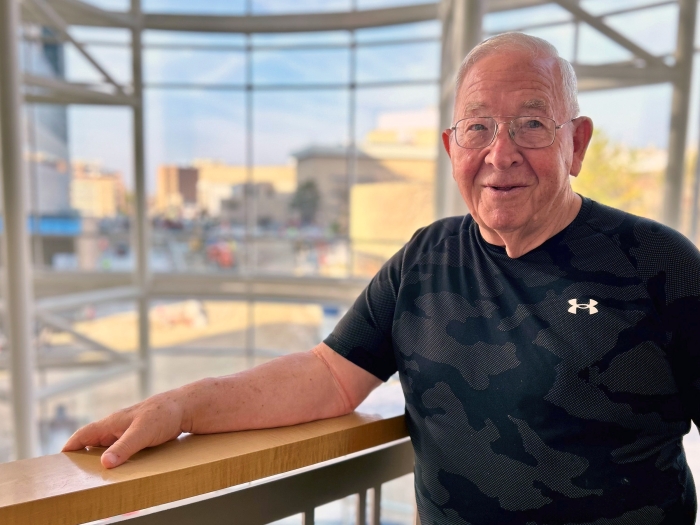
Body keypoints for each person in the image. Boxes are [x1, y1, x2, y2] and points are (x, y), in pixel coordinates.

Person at [64, 32, 700, 524]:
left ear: (576, 144)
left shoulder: (657, 264)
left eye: (531, 123)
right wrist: (182, 406)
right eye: (478, 126)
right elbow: (326, 376)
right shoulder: (427, 259)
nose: (499, 153)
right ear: (453, 148)